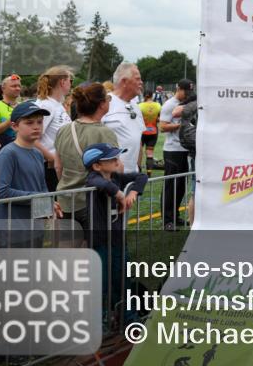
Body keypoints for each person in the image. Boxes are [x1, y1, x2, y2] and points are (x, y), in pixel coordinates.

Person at [83, 142, 147, 324]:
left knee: (123, 279)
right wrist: (120, 195)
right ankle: (102, 321)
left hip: (118, 238)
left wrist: (133, 192)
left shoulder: (116, 177)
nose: (117, 161)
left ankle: (128, 317)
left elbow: (141, 176)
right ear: (97, 165)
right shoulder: (92, 180)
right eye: (112, 159)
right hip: (100, 240)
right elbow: (100, 184)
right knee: (102, 282)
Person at [0, 101, 63, 243]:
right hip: (12, 229)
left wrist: (47, 205)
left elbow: (41, 187)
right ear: (14, 126)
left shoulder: (37, 153)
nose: (36, 127)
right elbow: (1, 191)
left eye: (39, 122)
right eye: (29, 123)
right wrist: (40, 198)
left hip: (34, 227)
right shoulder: (8, 154)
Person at [54, 83, 120, 233]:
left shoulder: (64, 129)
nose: (109, 101)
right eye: (108, 98)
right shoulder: (104, 133)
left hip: (65, 199)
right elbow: (116, 168)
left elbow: (58, 166)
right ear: (101, 104)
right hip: (92, 201)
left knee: (68, 247)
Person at [159, 80, 193, 231]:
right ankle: (167, 221)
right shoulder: (169, 104)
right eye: (185, 91)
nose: (187, 94)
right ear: (178, 89)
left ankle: (175, 216)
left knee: (180, 186)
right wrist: (182, 125)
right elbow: (163, 127)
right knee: (170, 187)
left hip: (184, 149)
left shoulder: (187, 104)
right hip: (173, 150)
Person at [35, 65, 74, 192]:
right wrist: (51, 158)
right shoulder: (46, 105)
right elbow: (32, 138)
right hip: (49, 167)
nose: (71, 84)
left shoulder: (56, 104)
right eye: (70, 80)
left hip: (59, 164)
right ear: (62, 82)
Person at [102, 62, 146, 175]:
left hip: (132, 175)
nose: (141, 83)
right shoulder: (104, 103)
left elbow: (138, 141)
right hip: (110, 177)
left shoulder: (136, 106)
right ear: (124, 81)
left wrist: (138, 168)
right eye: (137, 79)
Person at [0, 74, 22, 151]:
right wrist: (12, 118)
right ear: (3, 88)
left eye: (19, 86)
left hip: (20, 149)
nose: (17, 88)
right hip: (2, 149)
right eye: (13, 86)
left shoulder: (22, 106)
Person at [138, 92, 162, 171]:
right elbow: (159, 118)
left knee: (139, 153)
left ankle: (138, 171)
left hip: (142, 132)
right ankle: (149, 173)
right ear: (152, 96)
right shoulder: (158, 105)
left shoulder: (140, 106)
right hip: (153, 132)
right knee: (150, 154)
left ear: (144, 96)